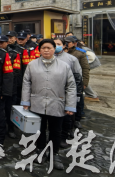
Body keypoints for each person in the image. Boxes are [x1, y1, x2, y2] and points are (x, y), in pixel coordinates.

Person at [21, 39, 77, 170]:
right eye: (43, 48)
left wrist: (70, 105)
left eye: (49, 48)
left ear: (54, 49)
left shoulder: (64, 66)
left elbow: (71, 86)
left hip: (57, 103)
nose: (46, 50)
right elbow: (26, 83)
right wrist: (25, 101)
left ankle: (54, 154)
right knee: (39, 130)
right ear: (39, 50)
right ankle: (40, 150)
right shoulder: (32, 65)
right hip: (37, 103)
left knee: (56, 131)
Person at [54, 38, 83, 147]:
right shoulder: (46, 58)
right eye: (54, 44)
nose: (56, 46)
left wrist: (77, 93)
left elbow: (78, 76)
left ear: (64, 45)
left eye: (59, 44)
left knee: (67, 117)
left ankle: (64, 137)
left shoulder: (71, 59)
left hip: (67, 92)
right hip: (53, 92)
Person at [0, 34, 21, 139]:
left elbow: (16, 71)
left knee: (9, 109)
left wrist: (5, 77)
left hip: (11, 87)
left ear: (7, 43)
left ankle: (11, 128)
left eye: (2, 43)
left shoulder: (14, 54)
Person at [64, 36, 90, 128]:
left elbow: (85, 68)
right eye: (65, 42)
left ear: (74, 43)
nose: (66, 44)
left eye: (68, 42)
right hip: (63, 80)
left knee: (78, 100)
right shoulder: (59, 53)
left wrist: (85, 82)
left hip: (76, 80)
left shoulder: (79, 54)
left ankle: (77, 119)